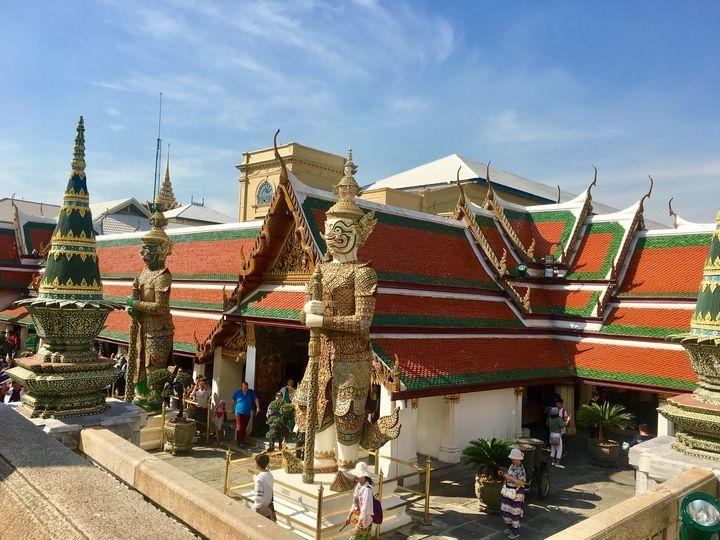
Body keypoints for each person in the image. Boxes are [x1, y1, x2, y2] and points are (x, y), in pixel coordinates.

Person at [500, 448, 527, 539]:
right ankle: (510, 527)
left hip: (517, 492)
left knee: (514, 513)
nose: (512, 459)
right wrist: (505, 475)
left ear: (518, 459)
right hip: (509, 491)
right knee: (505, 510)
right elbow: (509, 475)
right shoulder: (512, 465)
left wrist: (510, 478)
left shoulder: (521, 469)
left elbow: (522, 482)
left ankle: (515, 532)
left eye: (514, 458)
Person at [345, 461, 375, 539]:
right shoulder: (358, 486)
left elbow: (364, 508)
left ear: (364, 476)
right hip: (357, 517)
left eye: (359, 476)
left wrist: (359, 524)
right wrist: (349, 515)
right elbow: (355, 502)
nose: (357, 478)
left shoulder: (367, 490)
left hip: (364, 520)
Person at [232, 381, 260, 446]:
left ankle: (243, 441)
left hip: (247, 413)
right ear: (241, 388)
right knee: (239, 427)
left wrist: (258, 407)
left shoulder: (251, 392)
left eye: (246, 387)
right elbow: (233, 400)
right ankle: (239, 442)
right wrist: (232, 408)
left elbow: (256, 399)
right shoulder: (238, 393)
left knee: (244, 427)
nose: (245, 389)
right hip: (239, 412)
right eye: (244, 387)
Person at [252, 453, 276, 521]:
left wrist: (256, 509)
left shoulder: (259, 479)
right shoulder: (270, 475)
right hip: (268, 507)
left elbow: (258, 497)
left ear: (257, 464)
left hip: (260, 509)